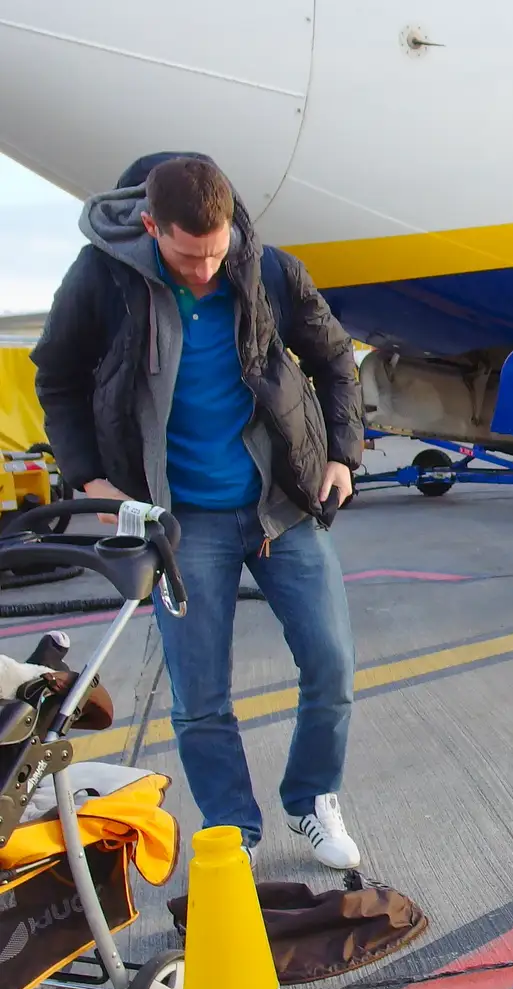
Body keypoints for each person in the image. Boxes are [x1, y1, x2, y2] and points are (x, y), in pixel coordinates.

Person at [31, 153, 365, 869]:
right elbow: (55, 375)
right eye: (189, 257)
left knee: (332, 665)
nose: (206, 272)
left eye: (217, 254)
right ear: (153, 227)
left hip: (281, 507)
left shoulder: (268, 270)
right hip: (180, 524)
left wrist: (342, 454)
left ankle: (312, 798)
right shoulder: (102, 279)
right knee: (200, 697)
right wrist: (86, 477)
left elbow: (337, 358)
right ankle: (232, 829)